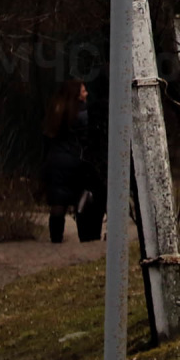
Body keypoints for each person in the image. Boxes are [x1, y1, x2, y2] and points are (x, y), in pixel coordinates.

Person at [41, 80, 101, 243]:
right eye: (83, 91)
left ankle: (56, 238)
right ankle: (87, 236)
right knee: (81, 199)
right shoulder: (83, 113)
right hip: (75, 161)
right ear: (76, 95)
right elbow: (87, 138)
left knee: (58, 203)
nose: (86, 94)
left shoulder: (55, 112)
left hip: (55, 161)